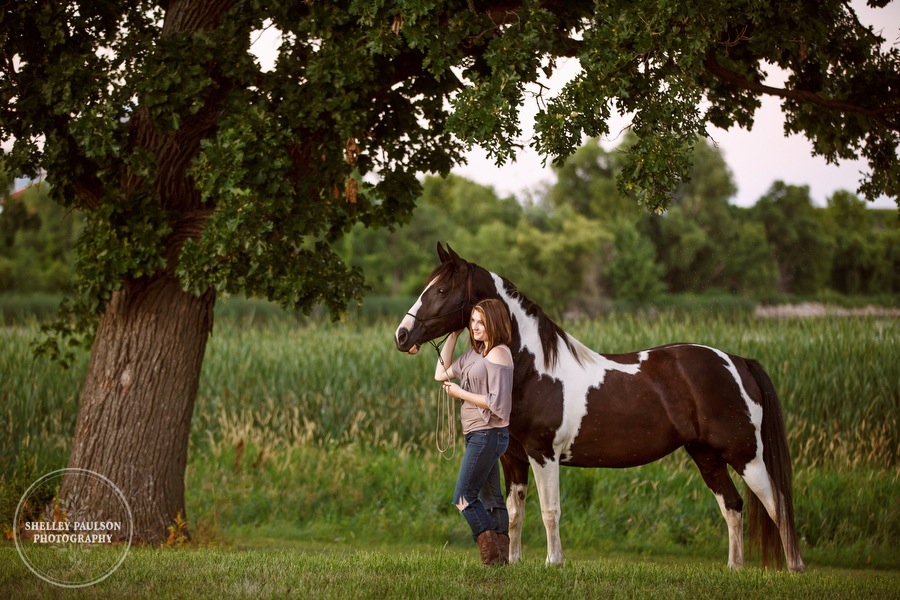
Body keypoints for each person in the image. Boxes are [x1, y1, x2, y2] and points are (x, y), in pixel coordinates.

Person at [434, 298, 513, 566]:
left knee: (463, 496)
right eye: (473, 322)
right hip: (477, 434)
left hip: (488, 434)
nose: (475, 326)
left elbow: (498, 404)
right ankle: (503, 559)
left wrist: (460, 393)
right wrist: (454, 335)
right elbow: (441, 373)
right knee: (491, 497)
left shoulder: (499, 353)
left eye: (481, 322)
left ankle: (491, 556)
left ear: (494, 322)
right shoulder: (475, 354)